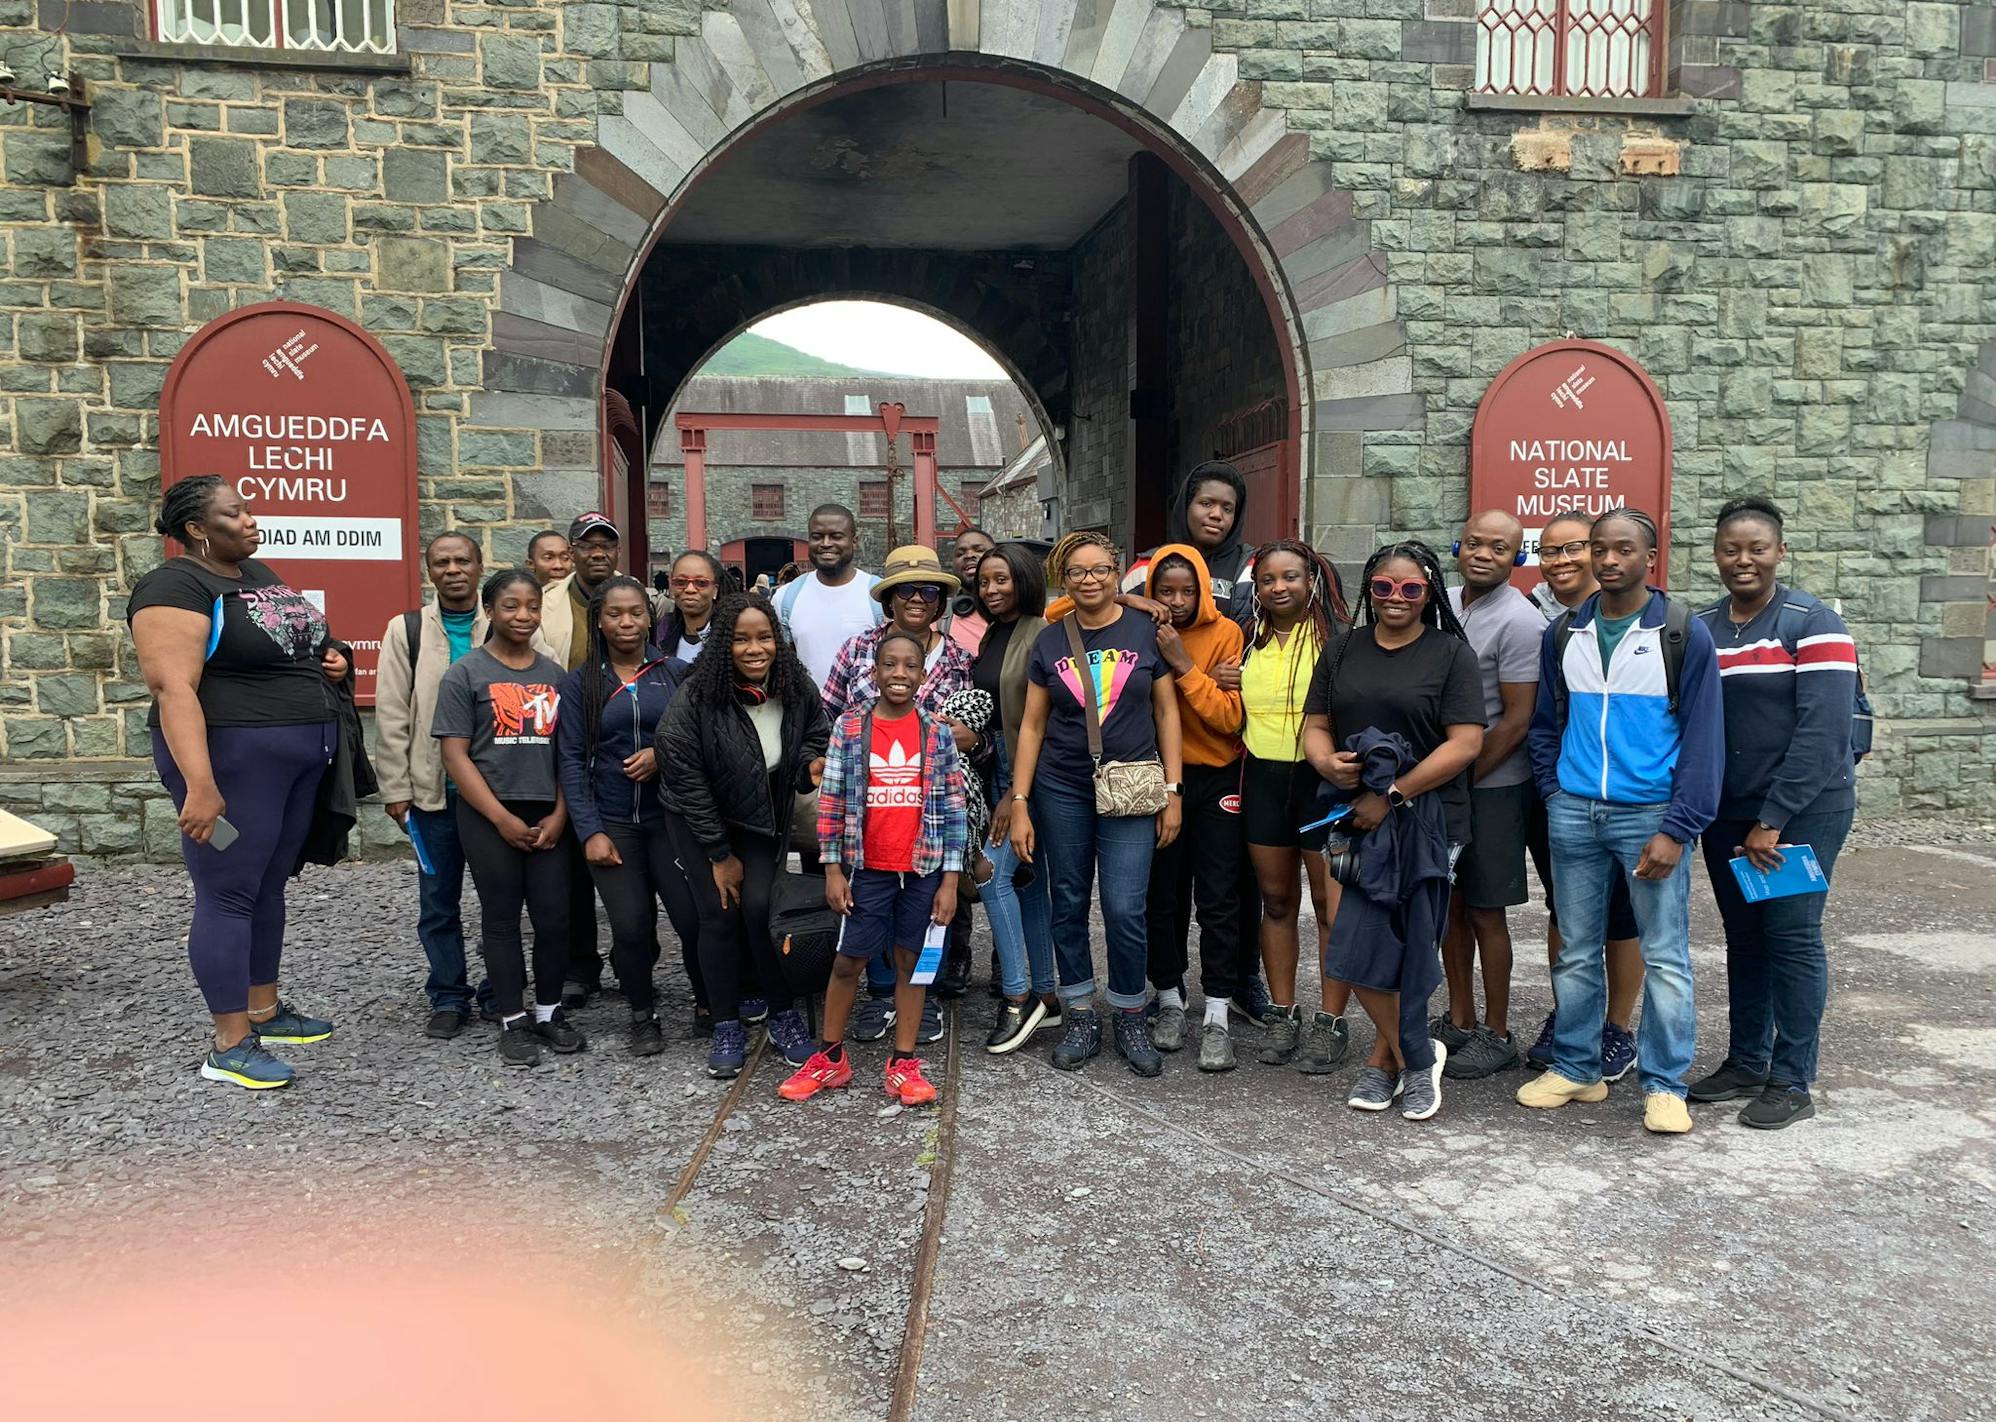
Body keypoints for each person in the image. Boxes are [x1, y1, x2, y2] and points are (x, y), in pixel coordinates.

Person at [128, 476, 346, 1090]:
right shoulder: (174, 585)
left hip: (297, 756)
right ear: (198, 529)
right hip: (231, 763)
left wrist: (332, 657)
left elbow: (295, 639)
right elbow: (173, 688)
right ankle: (228, 1043)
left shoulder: (257, 575)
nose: (251, 520)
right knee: (227, 892)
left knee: (268, 884)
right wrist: (200, 784)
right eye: (235, 512)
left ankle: (264, 1010)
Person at [1519, 509, 1723, 1136]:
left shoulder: (1681, 632)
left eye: (1622, 550)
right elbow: (1547, 725)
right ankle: (1578, 1066)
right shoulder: (1565, 632)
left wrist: (1678, 826)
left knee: (1664, 955)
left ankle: (1664, 1084)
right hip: (1575, 812)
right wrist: (1555, 792)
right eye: (1600, 550)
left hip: (1649, 816)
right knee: (1575, 950)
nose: (1609, 561)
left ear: (1650, 558)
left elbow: (1704, 739)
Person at [1689, 497, 1860, 1129]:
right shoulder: (1703, 626)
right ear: (1716, 554)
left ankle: (1792, 1080)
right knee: (1746, 938)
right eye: (1731, 548)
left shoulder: (1812, 621)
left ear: (1780, 552)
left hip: (1802, 812)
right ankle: (1746, 1061)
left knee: (1790, 936)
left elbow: (1823, 734)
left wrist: (1774, 820)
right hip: (1727, 813)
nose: (1744, 560)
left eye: (1757, 548)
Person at [1301, 541, 1483, 1122]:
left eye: (1410, 589)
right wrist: (1327, 763)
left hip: (1429, 818)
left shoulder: (1451, 654)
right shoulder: (1344, 647)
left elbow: (1466, 743)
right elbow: (1316, 725)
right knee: (1354, 946)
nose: (1396, 598)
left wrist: (1394, 793)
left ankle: (1382, 1063)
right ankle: (1415, 1054)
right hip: (1353, 817)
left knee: (1411, 945)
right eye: (1383, 587)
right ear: (1369, 590)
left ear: (1429, 593)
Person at [1009, 532, 1184, 1077]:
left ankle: (1130, 1010)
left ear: (1117, 573)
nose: (1091, 580)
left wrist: (1172, 791)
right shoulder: (1049, 639)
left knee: (1125, 906)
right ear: (1064, 578)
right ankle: (1081, 1010)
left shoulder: (1146, 630)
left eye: (1101, 570)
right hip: (1062, 785)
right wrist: (1019, 800)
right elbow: (1032, 725)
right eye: (1078, 572)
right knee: (1067, 899)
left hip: (1132, 783)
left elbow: (1167, 715)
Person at [780, 631, 968, 1106]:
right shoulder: (849, 728)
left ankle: (903, 1062)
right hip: (867, 869)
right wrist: (833, 869)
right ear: (874, 672)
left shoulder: (936, 732)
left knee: (912, 963)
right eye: (889, 665)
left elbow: (952, 807)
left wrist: (950, 880)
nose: (899, 674)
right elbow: (833, 802)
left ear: (923, 676)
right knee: (849, 962)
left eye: (909, 666)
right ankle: (830, 1057)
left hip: (922, 870)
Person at [655, 594, 829, 1079]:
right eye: (741, 639)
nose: (756, 649)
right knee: (718, 915)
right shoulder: (696, 695)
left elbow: (816, 731)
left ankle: (782, 1013)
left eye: (765, 637)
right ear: (723, 645)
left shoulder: (793, 685)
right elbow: (684, 776)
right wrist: (718, 853)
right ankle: (726, 1020)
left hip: (761, 817)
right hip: (700, 820)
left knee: (762, 910)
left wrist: (807, 767)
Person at [817, 545, 976, 1037]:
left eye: (929, 591)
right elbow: (828, 714)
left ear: (940, 600)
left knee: (923, 920)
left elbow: (970, 734)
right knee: (864, 927)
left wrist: (969, 736)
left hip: (927, 820)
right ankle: (879, 997)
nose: (917, 599)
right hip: (868, 819)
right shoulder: (857, 650)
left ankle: (919, 1005)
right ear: (888, 599)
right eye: (905, 589)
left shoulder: (955, 658)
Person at [432, 570, 582, 1068]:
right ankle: (513, 1020)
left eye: (533, 607)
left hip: (547, 814)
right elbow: (455, 756)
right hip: (488, 815)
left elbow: (568, 753)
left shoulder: (555, 676)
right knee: (501, 919)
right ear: (490, 611)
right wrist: (499, 819)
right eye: (511, 606)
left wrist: (561, 814)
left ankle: (548, 1011)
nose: (523, 616)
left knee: (554, 918)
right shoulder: (466, 674)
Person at [557, 575, 707, 1057]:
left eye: (635, 612)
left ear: (650, 617)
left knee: (692, 918)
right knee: (631, 925)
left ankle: (710, 1003)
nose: (626, 622)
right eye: (614, 614)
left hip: (671, 820)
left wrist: (661, 754)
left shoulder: (676, 673)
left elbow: (701, 742)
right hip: (615, 821)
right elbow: (572, 761)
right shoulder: (581, 683)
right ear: (598, 622)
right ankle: (643, 1013)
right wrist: (590, 831)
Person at [1522, 509, 1643, 1081]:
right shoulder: (1546, 620)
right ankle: (1571, 1015)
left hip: (1633, 796)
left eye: (1573, 548)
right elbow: (1545, 718)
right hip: (1569, 795)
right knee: (1565, 910)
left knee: (1624, 914)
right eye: (1549, 552)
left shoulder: (1652, 620)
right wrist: (1552, 791)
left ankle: (1617, 1028)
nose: (1562, 561)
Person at [1435, 511, 1545, 1079]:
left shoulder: (1520, 621)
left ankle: (1498, 1032)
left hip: (1493, 785)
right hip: (1445, 781)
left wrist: (1460, 777)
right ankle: (1459, 1018)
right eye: (1474, 542)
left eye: (1499, 548)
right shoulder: (1442, 601)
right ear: (1458, 547)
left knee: (1485, 910)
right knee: (1449, 905)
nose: (1483, 553)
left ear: (1516, 558)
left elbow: (1516, 720)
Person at [1236, 541, 1351, 1072]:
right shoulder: (1248, 639)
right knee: (1277, 901)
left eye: (1291, 577)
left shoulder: (1338, 640)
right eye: (1267, 579)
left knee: (1329, 907)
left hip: (1321, 782)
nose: (1278, 587)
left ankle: (1332, 1022)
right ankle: (1284, 1014)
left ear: (1313, 581)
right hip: (1263, 777)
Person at [375, 531, 492, 1040]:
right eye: (441, 562)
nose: (452, 570)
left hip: (496, 795)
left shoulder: (508, 618)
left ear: (479, 566)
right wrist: (394, 786)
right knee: (439, 902)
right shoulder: (407, 630)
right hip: (432, 794)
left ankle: (498, 992)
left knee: (500, 902)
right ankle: (448, 995)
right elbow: (392, 712)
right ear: (430, 571)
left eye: (462, 560)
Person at [1141, 544, 1247, 1071]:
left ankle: (1219, 1013)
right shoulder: (1140, 624)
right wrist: (1136, 604)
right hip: (1157, 778)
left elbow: (1227, 719)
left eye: (1187, 590)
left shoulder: (1227, 632)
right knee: (1164, 895)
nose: (1177, 601)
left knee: (1219, 897)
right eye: (1165, 591)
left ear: (1204, 588)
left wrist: (1184, 664)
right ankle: (1168, 998)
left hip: (1216, 777)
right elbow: (1060, 608)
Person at [972, 543, 1061, 1054]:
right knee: (1026, 880)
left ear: (1024, 579)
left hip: (1028, 769)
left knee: (989, 870)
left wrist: (1014, 791)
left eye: (1002, 579)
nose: (991, 590)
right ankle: (1047, 994)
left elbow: (1041, 722)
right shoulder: (992, 632)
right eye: (984, 581)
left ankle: (1018, 995)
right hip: (995, 765)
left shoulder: (1042, 633)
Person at [532, 512, 620, 1008]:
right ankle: (579, 966)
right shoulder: (544, 603)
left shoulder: (635, 599)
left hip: (618, 746)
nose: (598, 553)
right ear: (573, 551)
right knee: (568, 865)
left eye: (607, 545)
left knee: (623, 855)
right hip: (561, 741)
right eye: (588, 545)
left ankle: (633, 959)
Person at [1121, 461, 1257, 624]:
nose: (1216, 514)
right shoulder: (1146, 568)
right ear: (1186, 506)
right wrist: (1124, 601)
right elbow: (1109, 621)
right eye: (1206, 504)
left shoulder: (1252, 570)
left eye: (1227, 509)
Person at [771, 503, 882, 692]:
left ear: (854, 542)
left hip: (864, 716)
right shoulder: (786, 597)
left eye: (836, 536)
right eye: (817, 537)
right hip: (807, 716)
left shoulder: (878, 594)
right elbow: (779, 661)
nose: (826, 543)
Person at [653, 549, 724, 664]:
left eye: (701, 583)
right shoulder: (663, 632)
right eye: (681, 582)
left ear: (715, 590)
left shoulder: (730, 634)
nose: (690, 589)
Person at [942, 525, 995, 658]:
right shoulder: (940, 618)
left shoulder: (1029, 618)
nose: (969, 555)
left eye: (979, 550)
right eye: (960, 554)